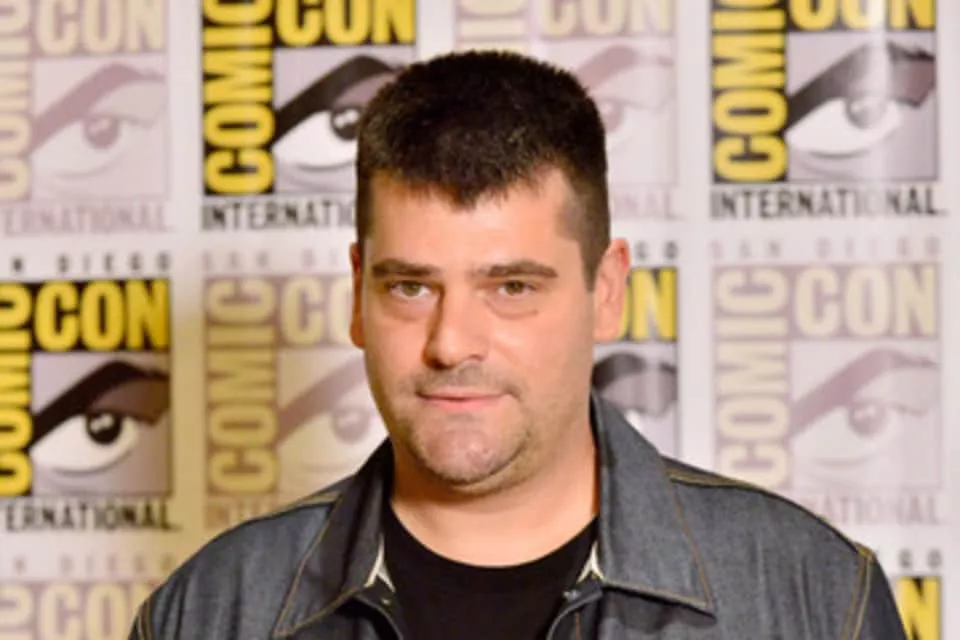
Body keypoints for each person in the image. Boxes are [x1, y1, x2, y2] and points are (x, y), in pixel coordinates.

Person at [129, 50, 907, 639]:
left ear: (606, 292)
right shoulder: (215, 610)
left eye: (511, 287)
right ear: (359, 294)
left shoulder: (809, 597)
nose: (451, 343)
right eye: (411, 287)